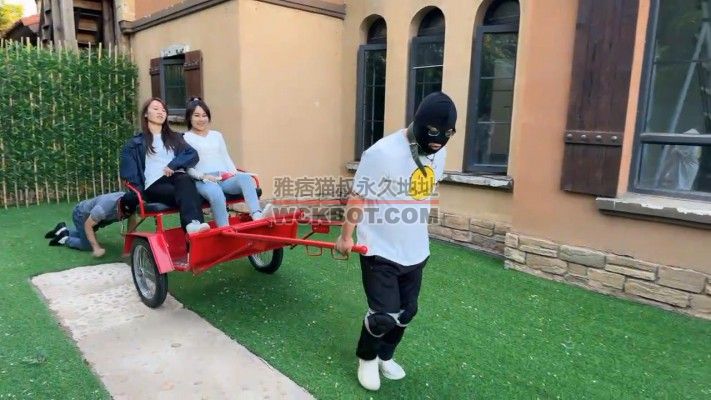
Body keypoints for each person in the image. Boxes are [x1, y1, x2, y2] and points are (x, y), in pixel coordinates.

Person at [335, 92, 457, 391]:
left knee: (406, 312)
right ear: (419, 124)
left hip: (415, 248)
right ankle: (366, 359)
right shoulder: (381, 153)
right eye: (433, 135)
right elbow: (358, 196)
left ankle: (385, 357)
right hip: (379, 248)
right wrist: (346, 236)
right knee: (383, 316)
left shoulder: (438, 153)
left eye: (446, 137)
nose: (438, 144)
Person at [120, 97, 210, 233]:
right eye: (156, 109)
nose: (160, 112)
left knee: (185, 184)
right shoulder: (134, 144)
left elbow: (192, 154)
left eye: (163, 110)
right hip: (153, 186)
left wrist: (173, 165)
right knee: (189, 191)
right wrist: (140, 194)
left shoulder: (175, 137)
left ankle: (193, 228)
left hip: (176, 181)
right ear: (146, 114)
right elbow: (129, 174)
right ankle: (193, 224)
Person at [183, 97, 272, 226]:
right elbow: (188, 168)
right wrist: (203, 176)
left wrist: (232, 173)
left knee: (245, 178)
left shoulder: (217, 135)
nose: (201, 119)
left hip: (223, 177)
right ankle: (224, 228)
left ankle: (257, 215)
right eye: (196, 115)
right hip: (203, 180)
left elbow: (226, 157)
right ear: (189, 117)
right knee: (216, 192)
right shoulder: (185, 138)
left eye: (204, 115)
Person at [45, 191, 138, 257]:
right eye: (122, 212)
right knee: (87, 245)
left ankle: (62, 229)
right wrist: (96, 248)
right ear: (119, 203)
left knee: (87, 235)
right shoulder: (102, 209)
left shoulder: (131, 201)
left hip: (95, 219)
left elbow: (132, 218)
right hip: (81, 215)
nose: (123, 216)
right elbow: (88, 225)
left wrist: (129, 241)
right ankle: (64, 238)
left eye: (126, 214)